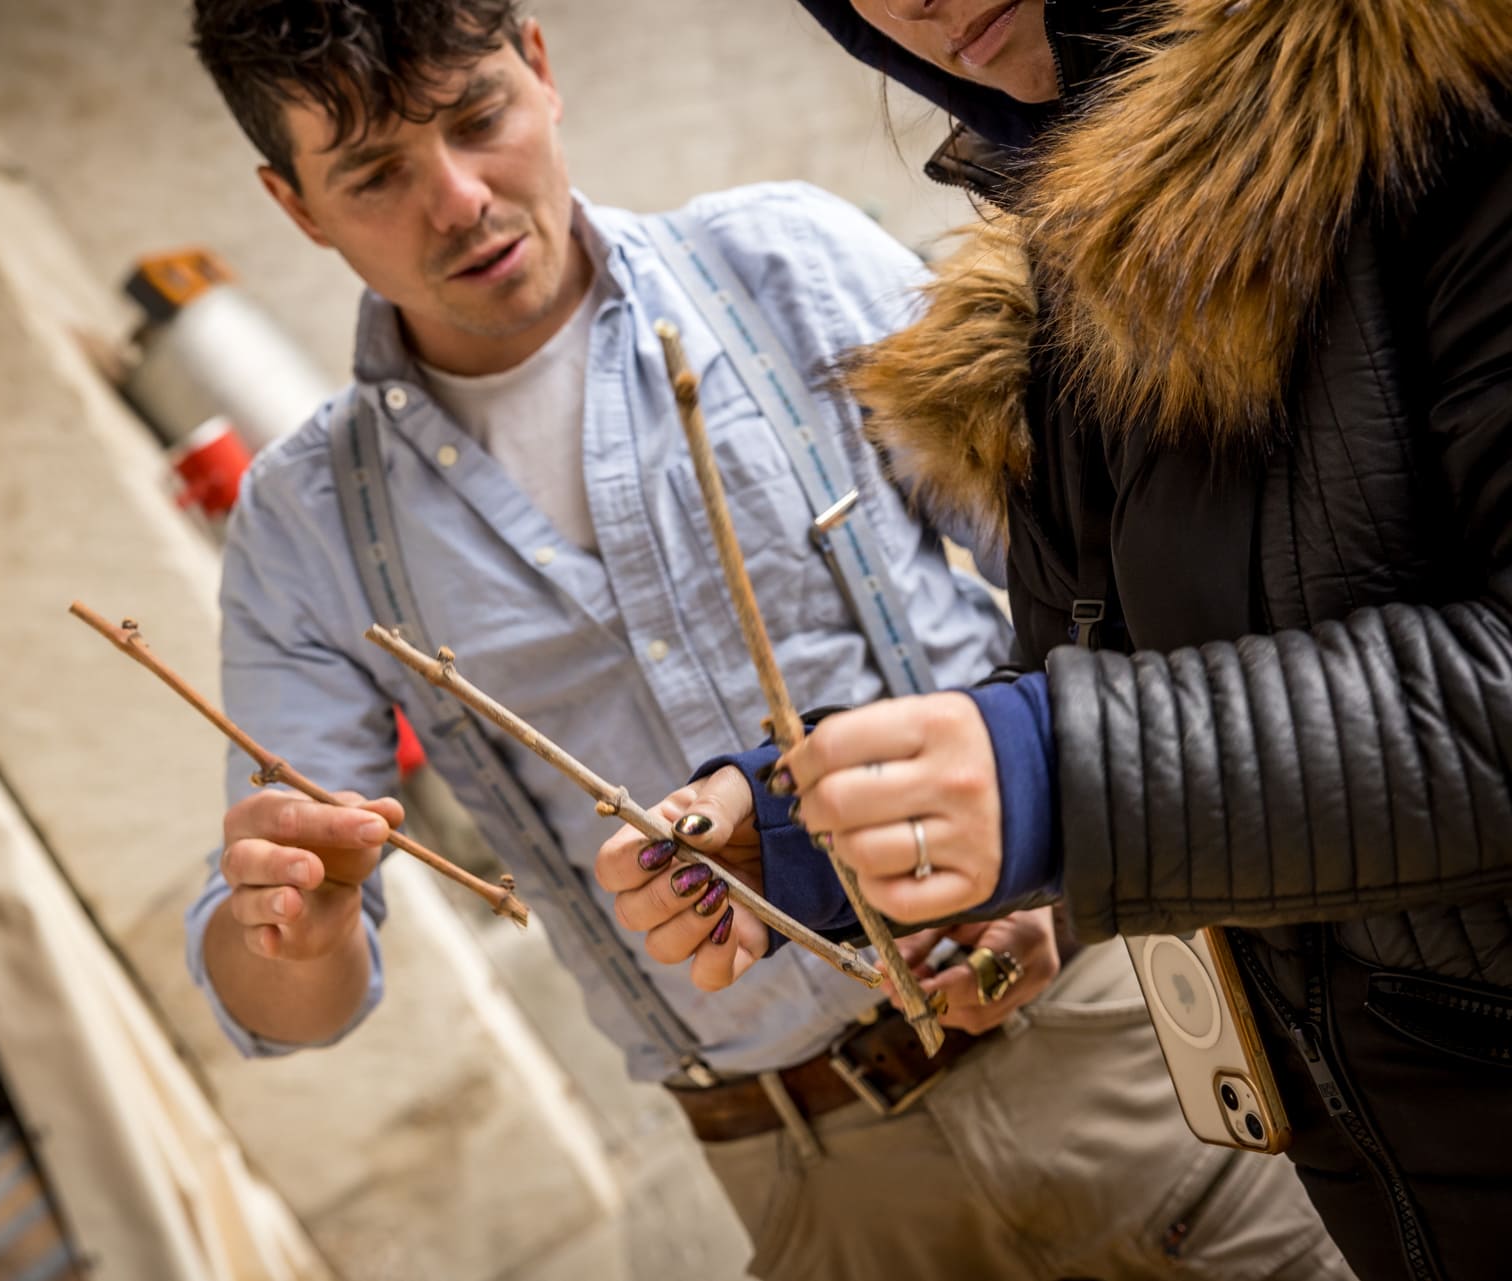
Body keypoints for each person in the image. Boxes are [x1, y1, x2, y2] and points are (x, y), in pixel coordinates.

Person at [181, 2, 1346, 1277]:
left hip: (1114, 1040)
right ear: (294, 204)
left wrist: (1064, 881)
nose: (458, 199)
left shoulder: (784, 266)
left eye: (477, 119)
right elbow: (292, 1007)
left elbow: (1119, 616)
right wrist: (290, 922)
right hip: (817, 1178)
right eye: (375, 176)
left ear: (541, 66)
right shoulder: (307, 530)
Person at [609, 1, 1512, 1277]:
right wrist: (839, 826)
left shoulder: (1458, 93)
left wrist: (1057, 778)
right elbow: (1160, 693)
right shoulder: (1056, 292)